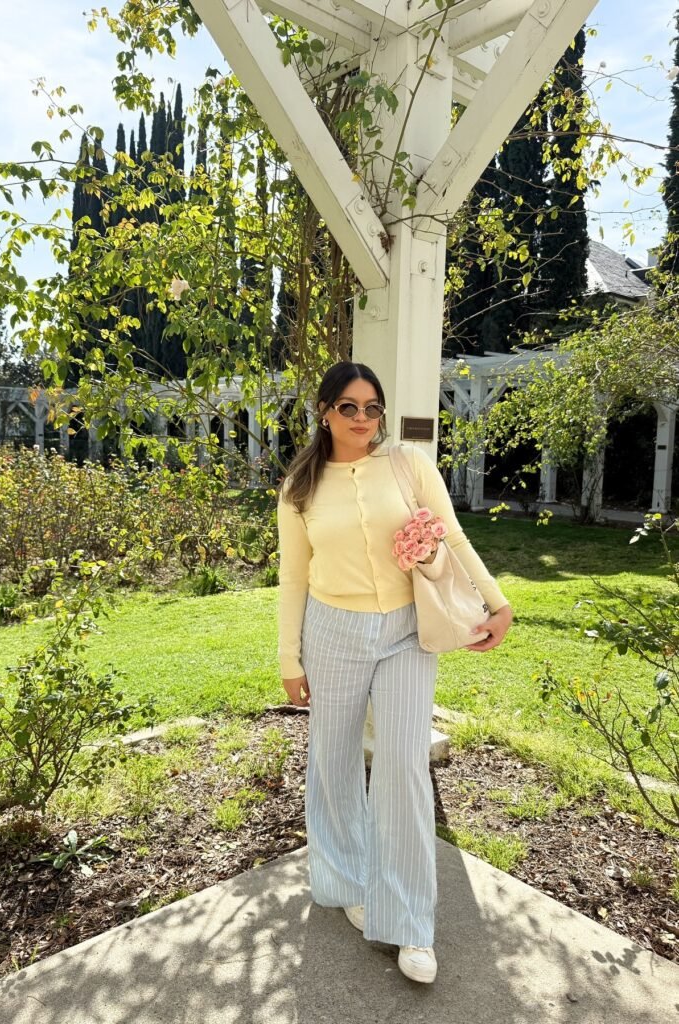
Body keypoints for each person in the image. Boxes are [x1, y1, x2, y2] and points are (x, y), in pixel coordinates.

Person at [276, 362, 513, 984]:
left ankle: (410, 923)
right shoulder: (299, 488)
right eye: (349, 407)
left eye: (373, 408)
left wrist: (495, 601)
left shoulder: (408, 464)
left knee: (404, 764)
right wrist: (288, 659)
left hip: (408, 631)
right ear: (325, 410)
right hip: (331, 633)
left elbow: (454, 536)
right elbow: (293, 578)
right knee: (334, 758)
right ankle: (346, 878)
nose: (363, 419)